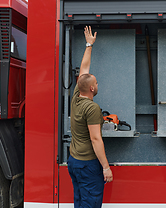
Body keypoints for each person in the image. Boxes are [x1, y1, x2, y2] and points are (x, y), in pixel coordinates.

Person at [67, 26, 113, 208]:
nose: (97, 83)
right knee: (90, 204)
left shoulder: (76, 96)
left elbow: (84, 70)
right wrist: (106, 167)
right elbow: (96, 139)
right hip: (88, 166)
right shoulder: (92, 108)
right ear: (92, 88)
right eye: (96, 82)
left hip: (74, 162)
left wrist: (89, 45)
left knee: (79, 202)